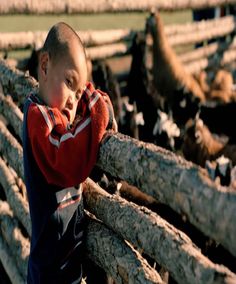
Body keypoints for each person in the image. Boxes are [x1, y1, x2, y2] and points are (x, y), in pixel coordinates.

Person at [22, 22, 117, 283]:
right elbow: (67, 157)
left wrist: (85, 93)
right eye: (68, 82)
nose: (74, 101)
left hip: (66, 269)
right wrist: (98, 109)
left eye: (79, 92)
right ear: (44, 66)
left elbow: (76, 119)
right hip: (50, 275)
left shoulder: (56, 119)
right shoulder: (38, 120)